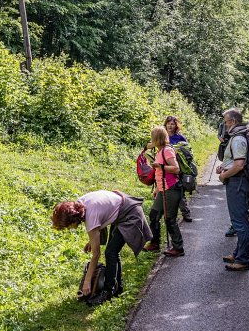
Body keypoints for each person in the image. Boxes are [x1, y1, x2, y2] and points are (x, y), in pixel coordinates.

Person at [52, 190, 153, 306]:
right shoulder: (80, 204)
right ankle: (118, 288)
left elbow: (96, 255)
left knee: (110, 252)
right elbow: (101, 214)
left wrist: (87, 282)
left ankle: (108, 292)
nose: (69, 228)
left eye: (68, 226)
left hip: (129, 214)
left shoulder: (90, 216)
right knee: (113, 251)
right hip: (122, 208)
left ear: (73, 219)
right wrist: (92, 240)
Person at [216, 108, 249, 271]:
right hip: (237, 181)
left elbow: (239, 165)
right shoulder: (238, 137)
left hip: (237, 182)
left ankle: (242, 259)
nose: (224, 124)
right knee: (239, 221)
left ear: (234, 122)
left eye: (226, 121)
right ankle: (238, 253)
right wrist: (224, 167)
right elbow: (234, 161)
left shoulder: (238, 139)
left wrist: (224, 176)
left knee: (239, 222)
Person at [142, 126, 185, 257]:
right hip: (162, 189)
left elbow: (176, 169)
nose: (151, 140)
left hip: (171, 189)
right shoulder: (160, 151)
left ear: (157, 138)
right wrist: (157, 188)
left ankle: (178, 248)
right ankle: (154, 243)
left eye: (152, 137)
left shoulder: (167, 150)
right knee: (154, 215)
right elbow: (160, 173)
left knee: (169, 219)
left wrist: (160, 166)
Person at [165, 115, 192, 223]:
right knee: (165, 192)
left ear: (176, 126)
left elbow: (188, 152)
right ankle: (170, 216)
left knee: (179, 191)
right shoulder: (163, 136)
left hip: (179, 168)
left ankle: (185, 213)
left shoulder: (180, 138)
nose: (170, 126)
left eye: (172, 124)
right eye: (168, 124)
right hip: (165, 168)